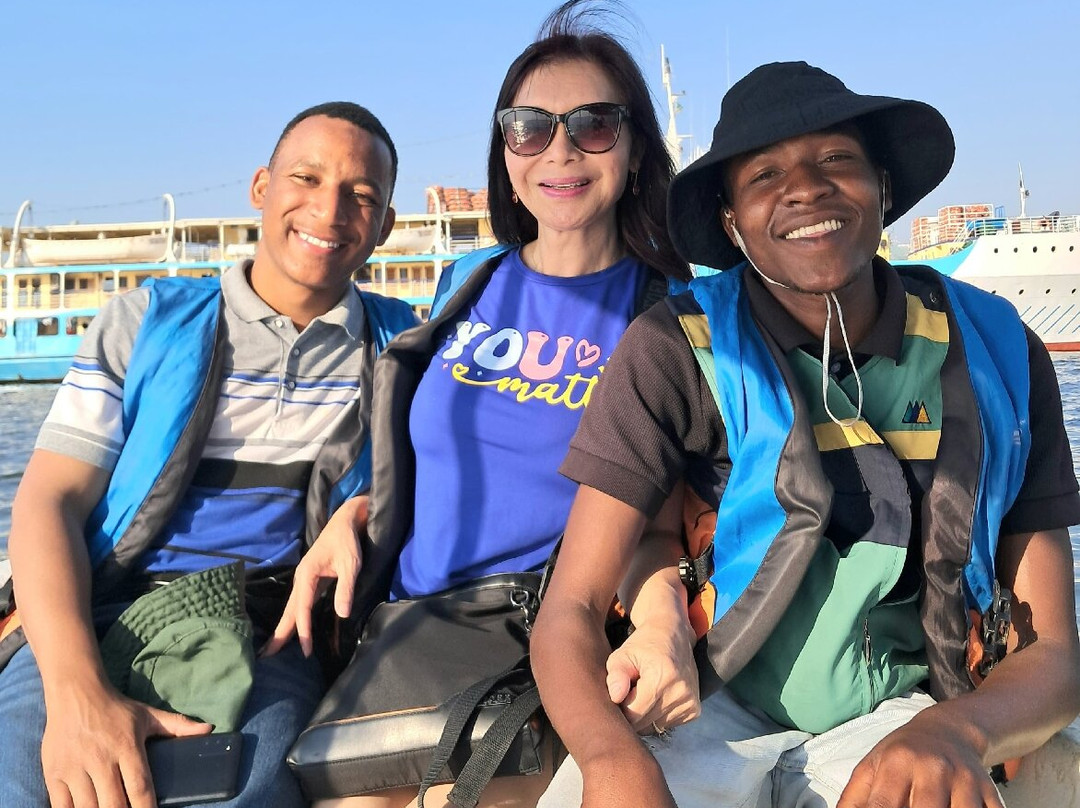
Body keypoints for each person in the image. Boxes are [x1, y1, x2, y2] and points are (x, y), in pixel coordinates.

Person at [531, 61, 1080, 808]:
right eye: (764, 176)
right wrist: (608, 760)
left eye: (836, 160)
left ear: (883, 187)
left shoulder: (997, 352)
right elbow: (570, 608)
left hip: (899, 714)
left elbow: (1054, 655)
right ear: (731, 222)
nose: (805, 190)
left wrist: (956, 730)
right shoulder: (673, 348)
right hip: (705, 705)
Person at [265, 4, 695, 807]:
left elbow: (658, 523)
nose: (560, 149)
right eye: (529, 127)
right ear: (506, 150)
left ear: (636, 149)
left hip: (542, 641)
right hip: (405, 634)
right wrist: (354, 511)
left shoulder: (669, 313)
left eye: (594, 124)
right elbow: (426, 457)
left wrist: (660, 613)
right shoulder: (468, 280)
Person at [0, 101, 418, 808]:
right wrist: (78, 695)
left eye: (361, 195)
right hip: (103, 610)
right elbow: (49, 501)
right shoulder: (143, 322)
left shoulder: (404, 349)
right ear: (261, 187)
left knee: (254, 793)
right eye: (307, 178)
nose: (329, 209)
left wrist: (361, 511)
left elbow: (452, 476)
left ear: (384, 225)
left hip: (270, 633)